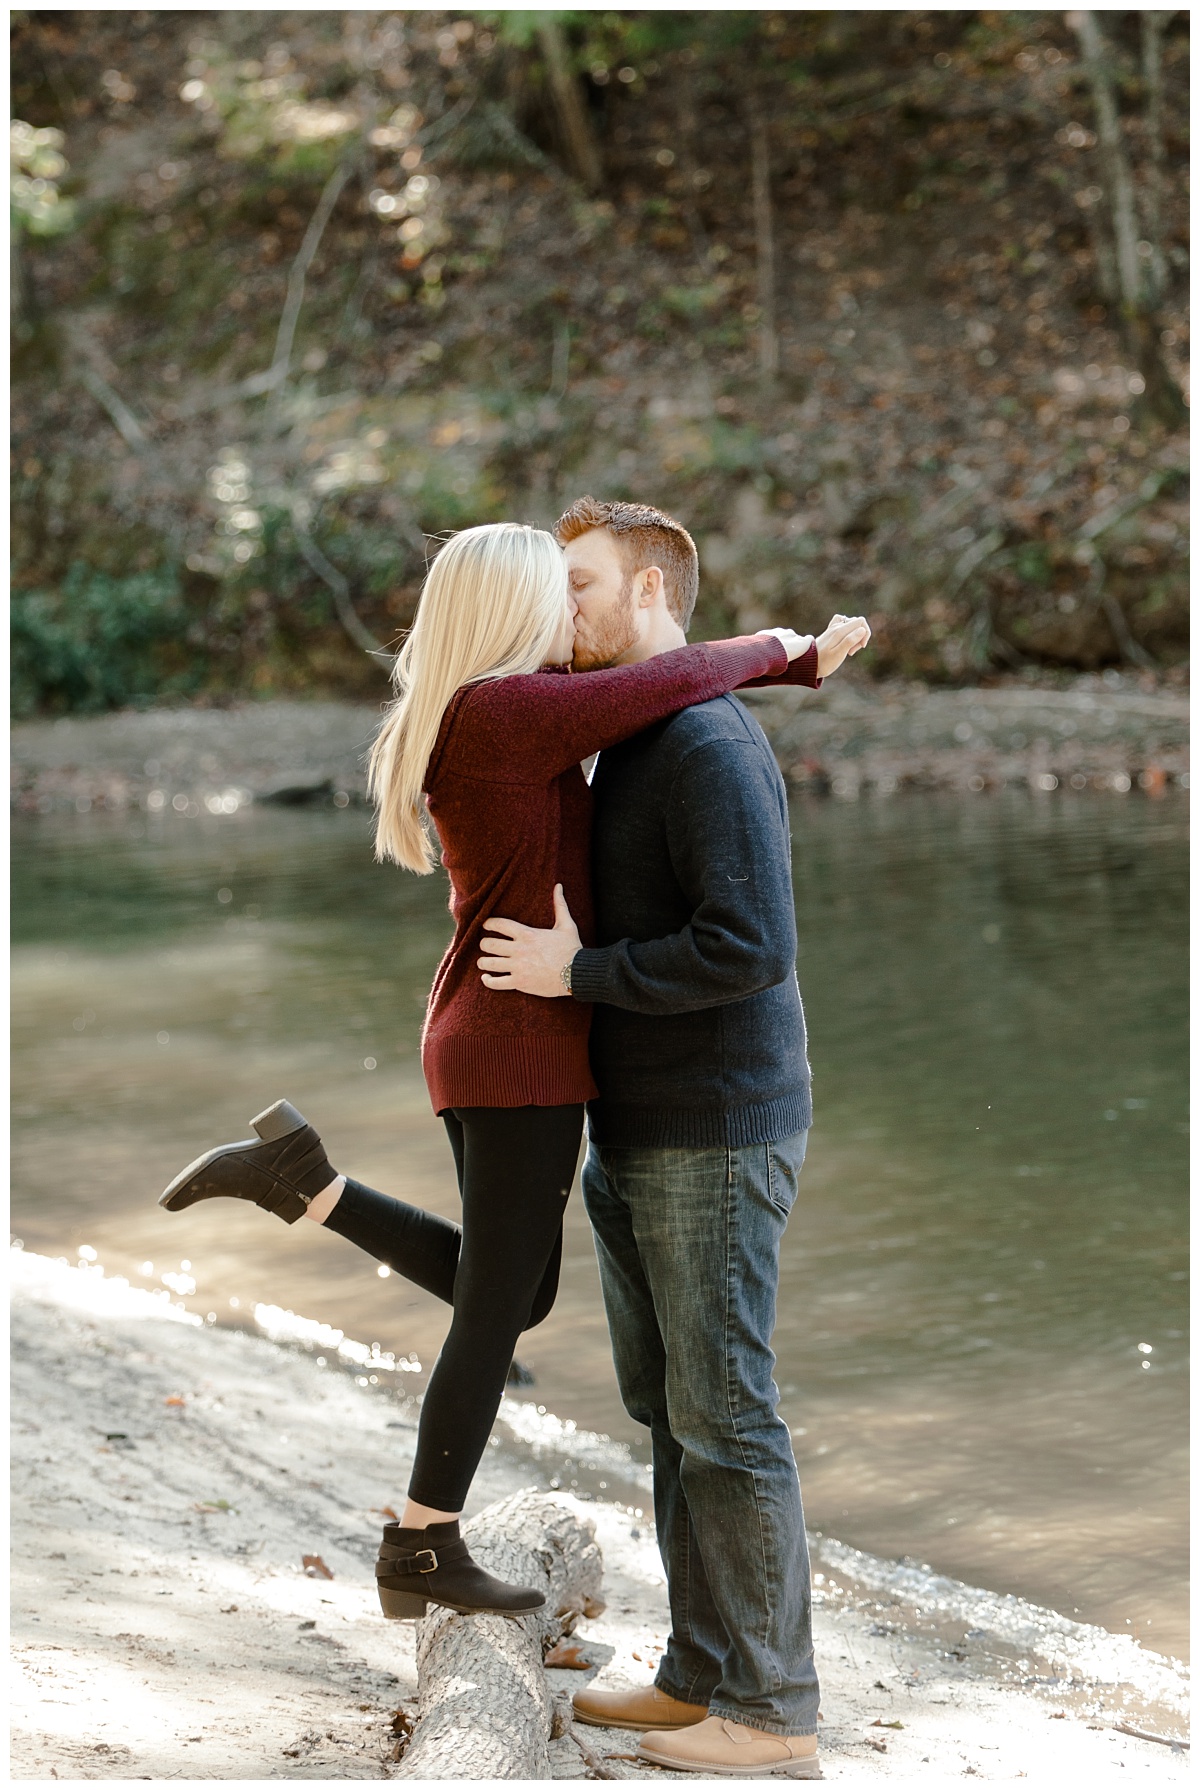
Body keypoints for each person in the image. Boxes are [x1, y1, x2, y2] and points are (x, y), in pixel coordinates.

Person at [155, 519, 839, 1624]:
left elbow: (658, 687)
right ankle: (423, 1539)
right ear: (508, 608)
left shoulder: (483, 710)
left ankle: (303, 1179)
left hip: (492, 1031)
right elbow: (683, 670)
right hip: (516, 1037)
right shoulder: (507, 712)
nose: (570, 613)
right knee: (492, 1310)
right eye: (554, 592)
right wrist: (788, 648)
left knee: (513, 1290)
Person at [478, 497, 869, 1777]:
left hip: (718, 1122)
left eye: (581, 582)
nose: (562, 607)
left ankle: (771, 1712)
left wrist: (577, 971)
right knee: (668, 1408)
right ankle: (703, 1671)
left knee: (727, 1413)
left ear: (652, 591)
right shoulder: (632, 731)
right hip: (638, 1124)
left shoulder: (703, 739)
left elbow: (751, 946)